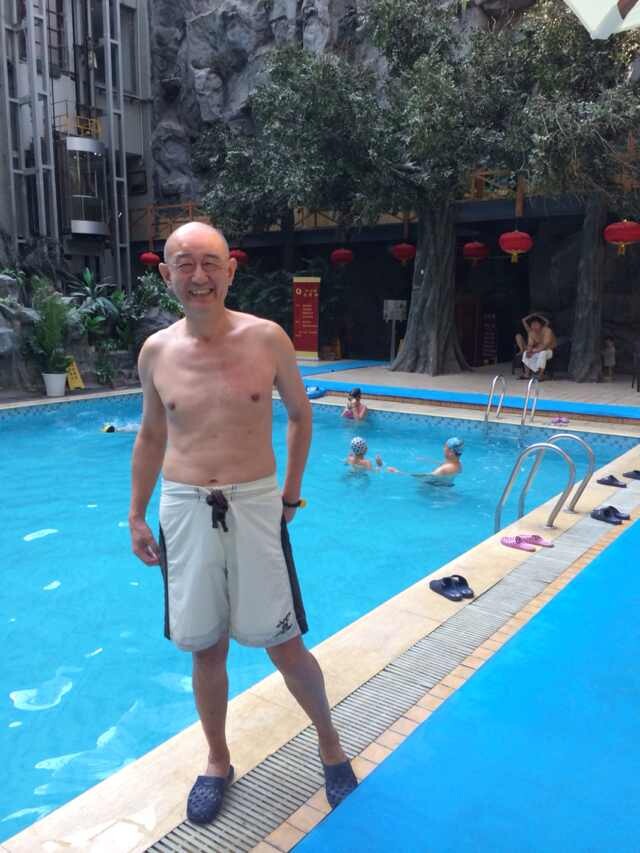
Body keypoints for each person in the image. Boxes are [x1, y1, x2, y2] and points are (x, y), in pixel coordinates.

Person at [128, 222, 356, 825]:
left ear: (231, 270)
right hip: (183, 506)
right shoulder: (156, 352)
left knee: (285, 643)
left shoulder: (266, 338)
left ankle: (331, 746)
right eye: (184, 263)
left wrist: (290, 496)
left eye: (210, 262)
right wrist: (136, 515)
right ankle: (217, 760)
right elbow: (150, 434)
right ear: (166, 275)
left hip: (255, 504)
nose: (198, 275)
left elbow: (301, 416)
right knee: (205, 648)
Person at [387, 437, 464, 485]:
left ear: (450, 452)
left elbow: (423, 477)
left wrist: (398, 472)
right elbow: (444, 464)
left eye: (445, 447)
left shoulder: (443, 470)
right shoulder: (458, 464)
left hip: (434, 492)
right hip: (445, 487)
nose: (443, 448)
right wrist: (428, 460)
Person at [515, 314, 557, 381]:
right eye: (532, 325)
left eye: (536, 324)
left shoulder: (547, 330)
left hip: (549, 350)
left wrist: (534, 351)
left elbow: (545, 345)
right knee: (526, 353)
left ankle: (540, 376)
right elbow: (530, 344)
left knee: (542, 353)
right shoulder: (531, 333)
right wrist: (529, 350)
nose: (534, 326)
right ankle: (526, 374)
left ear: (540, 325)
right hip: (537, 350)